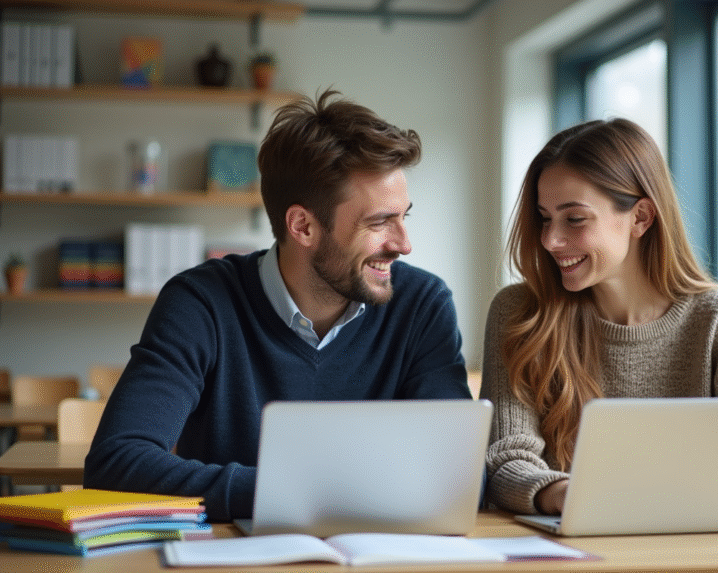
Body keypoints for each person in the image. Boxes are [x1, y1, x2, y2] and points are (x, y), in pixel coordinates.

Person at [85, 90, 472, 521]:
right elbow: (116, 464)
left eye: (405, 216)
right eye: (380, 222)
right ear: (303, 226)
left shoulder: (422, 305)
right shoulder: (200, 303)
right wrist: (300, 494)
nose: (403, 244)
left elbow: (458, 473)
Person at [480, 118, 718, 516]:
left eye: (574, 219)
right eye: (545, 218)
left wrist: (645, 500)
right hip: (569, 548)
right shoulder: (520, 313)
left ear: (640, 217)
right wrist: (565, 495)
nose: (551, 239)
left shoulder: (713, 319)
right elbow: (505, 461)